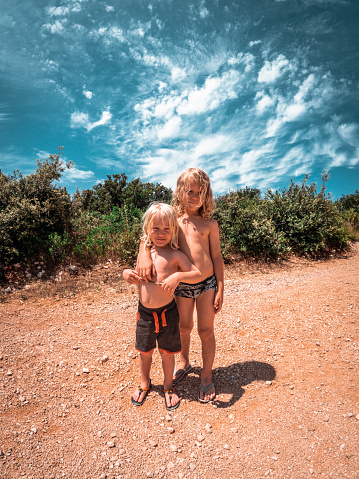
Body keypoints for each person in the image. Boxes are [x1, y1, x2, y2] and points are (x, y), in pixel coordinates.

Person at [137, 168, 224, 403]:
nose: (194, 196)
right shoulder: (172, 218)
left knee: (205, 330)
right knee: (184, 327)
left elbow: (216, 257)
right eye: (189, 191)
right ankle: (184, 362)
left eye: (200, 192)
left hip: (206, 284)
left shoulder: (210, 224)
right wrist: (144, 255)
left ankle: (206, 376)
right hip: (181, 285)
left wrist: (221, 286)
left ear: (206, 194)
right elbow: (148, 236)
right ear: (179, 192)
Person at [123, 202, 201, 410]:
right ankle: (144, 383)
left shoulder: (176, 255)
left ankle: (168, 387)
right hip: (145, 314)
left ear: (174, 231)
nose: (161, 233)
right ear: (148, 229)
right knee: (145, 351)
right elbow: (131, 272)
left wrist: (177, 276)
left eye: (167, 229)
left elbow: (196, 274)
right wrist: (126, 274)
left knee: (167, 352)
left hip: (168, 313)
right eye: (155, 228)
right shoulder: (145, 253)